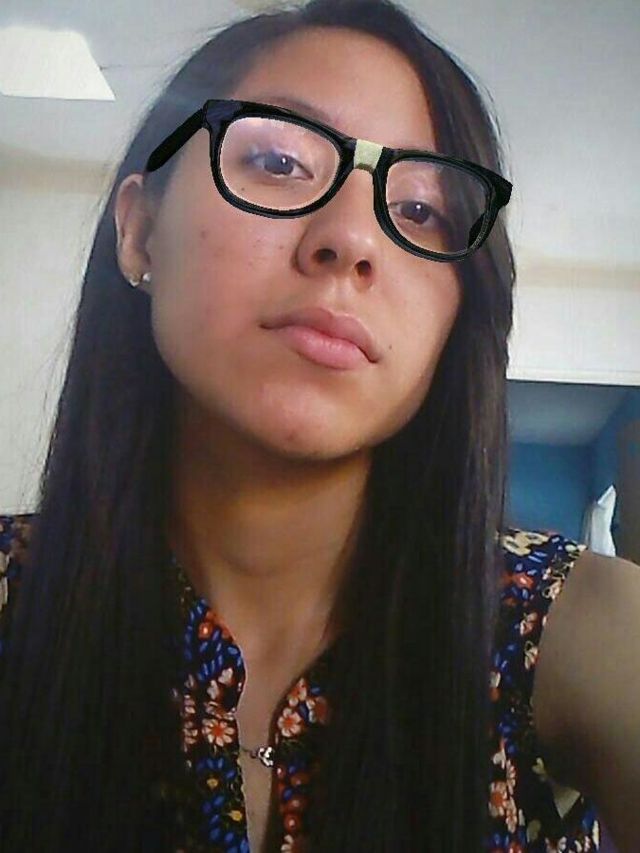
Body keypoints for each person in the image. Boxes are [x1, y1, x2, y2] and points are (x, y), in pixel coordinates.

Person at [0, 0, 637, 850]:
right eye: (278, 161)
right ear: (140, 230)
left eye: (421, 211)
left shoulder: (578, 628)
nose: (350, 239)